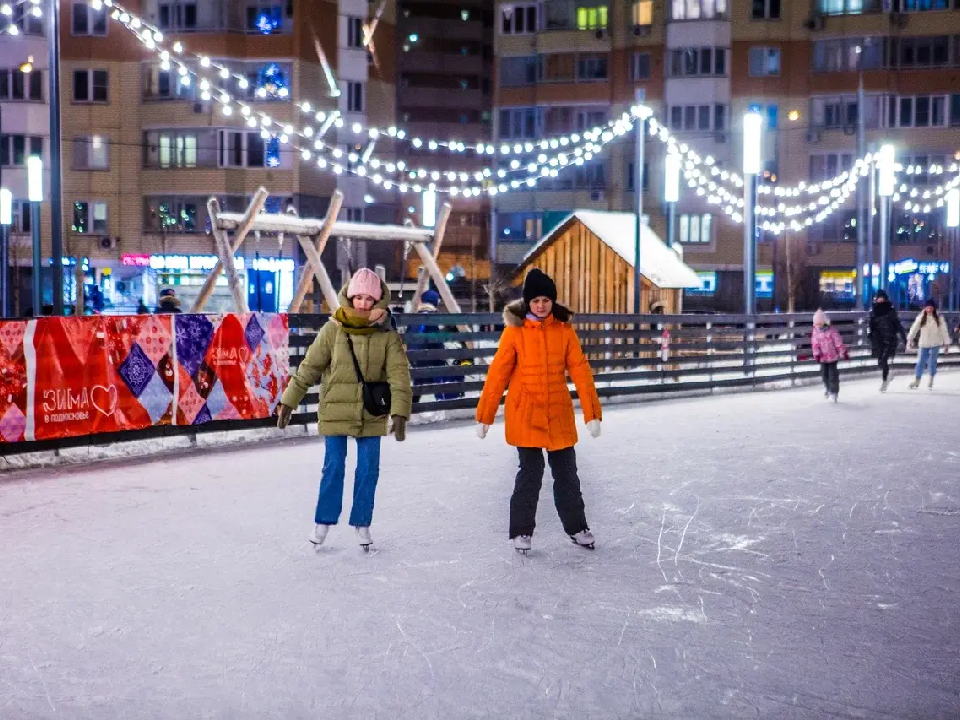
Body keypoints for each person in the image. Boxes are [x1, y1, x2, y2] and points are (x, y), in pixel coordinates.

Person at [276, 268, 412, 550]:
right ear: (349, 297)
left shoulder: (387, 335)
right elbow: (309, 368)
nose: (362, 304)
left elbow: (399, 376)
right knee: (334, 467)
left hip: (371, 412)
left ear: (378, 301)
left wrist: (400, 412)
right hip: (335, 409)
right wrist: (289, 401)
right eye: (358, 297)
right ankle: (323, 521)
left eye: (368, 299)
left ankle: (362, 522)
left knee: (368, 469)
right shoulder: (332, 330)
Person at [476, 268, 602, 555]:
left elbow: (580, 371)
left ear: (552, 302)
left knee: (567, 474)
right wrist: (485, 415)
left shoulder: (564, 331)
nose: (541, 305)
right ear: (527, 303)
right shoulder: (514, 332)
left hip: (557, 411)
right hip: (526, 412)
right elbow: (498, 374)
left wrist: (591, 413)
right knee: (530, 473)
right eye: (536, 300)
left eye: (546, 300)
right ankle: (521, 530)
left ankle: (577, 527)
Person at [907, 298, 951, 390]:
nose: (929, 310)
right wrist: (910, 338)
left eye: (931, 308)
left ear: (934, 308)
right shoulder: (921, 317)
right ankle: (917, 380)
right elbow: (914, 328)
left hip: (935, 343)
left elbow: (944, 331)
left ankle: (931, 378)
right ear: (925, 308)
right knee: (920, 362)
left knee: (932, 362)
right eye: (927, 308)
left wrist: (946, 344)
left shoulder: (939, 318)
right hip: (924, 343)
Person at [868, 289, 906, 392]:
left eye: (881, 298)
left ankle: (885, 381)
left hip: (890, 339)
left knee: (884, 359)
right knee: (880, 361)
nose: (879, 300)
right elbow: (871, 325)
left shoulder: (890, 310)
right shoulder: (873, 311)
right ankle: (887, 375)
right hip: (878, 339)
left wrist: (904, 338)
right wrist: (870, 335)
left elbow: (897, 325)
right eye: (878, 298)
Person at [811, 309, 848, 402]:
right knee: (824, 375)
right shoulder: (815, 331)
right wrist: (816, 354)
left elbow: (838, 342)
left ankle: (834, 391)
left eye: (820, 323)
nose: (818, 325)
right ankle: (827, 388)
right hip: (823, 358)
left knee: (833, 375)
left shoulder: (832, 330)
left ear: (824, 322)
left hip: (832, 357)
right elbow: (814, 344)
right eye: (816, 324)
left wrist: (842, 352)